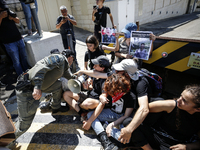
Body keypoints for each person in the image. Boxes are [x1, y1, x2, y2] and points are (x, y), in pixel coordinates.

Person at [15, 50, 76, 137]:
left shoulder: (64, 66)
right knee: (24, 123)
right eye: (73, 61)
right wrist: (37, 87)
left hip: (34, 87)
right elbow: (40, 66)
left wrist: (79, 78)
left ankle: (55, 107)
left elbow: (70, 76)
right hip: (27, 89)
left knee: (58, 85)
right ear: (71, 58)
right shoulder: (59, 58)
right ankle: (6, 142)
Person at [127, 85, 200, 150]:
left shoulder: (197, 119)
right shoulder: (172, 105)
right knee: (129, 122)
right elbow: (143, 109)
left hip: (174, 144)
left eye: (184, 100)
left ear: (197, 109)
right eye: (180, 96)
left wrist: (187, 147)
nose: (178, 100)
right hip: (154, 136)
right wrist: (129, 129)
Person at [86, 73, 136, 150]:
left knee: (124, 139)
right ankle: (104, 139)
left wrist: (112, 124)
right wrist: (101, 97)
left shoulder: (131, 96)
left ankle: (105, 127)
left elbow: (126, 116)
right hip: (112, 113)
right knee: (90, 115)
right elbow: (103, 95)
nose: (112, 95)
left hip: (122, 116)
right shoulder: (110, 90)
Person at [0, 0, 29, 76]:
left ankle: (27, 74)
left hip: (18, 39)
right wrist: (1, 17)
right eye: (2, 8)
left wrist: (12, 18)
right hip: (9, 43)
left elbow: (18, 21)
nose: (4, 10)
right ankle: (21, 78)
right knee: (16, 62)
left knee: (24, 58)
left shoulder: (8, 11)